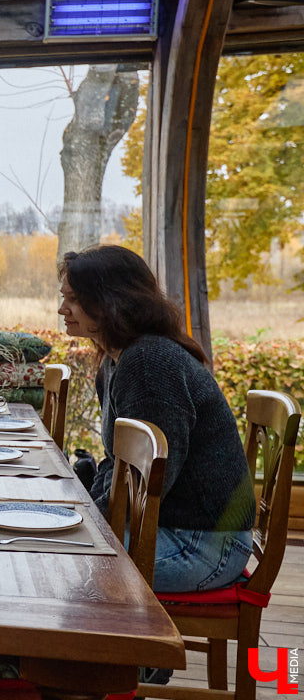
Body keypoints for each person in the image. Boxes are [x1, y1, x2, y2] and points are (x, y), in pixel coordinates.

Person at [57, 245, 255, 594]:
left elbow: (148, 485)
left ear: (108, 300)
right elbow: (118, 465)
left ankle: (120, 646)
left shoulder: (149, 363)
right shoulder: (114, 362)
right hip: (168, 528)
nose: (62, 309)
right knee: (56, 545)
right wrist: (86, 510)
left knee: (62, 562)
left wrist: (84, 521)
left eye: (73, 299)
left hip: (202, 545)